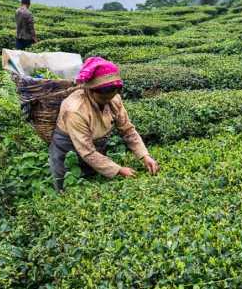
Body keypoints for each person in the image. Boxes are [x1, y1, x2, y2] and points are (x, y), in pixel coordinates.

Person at [49, 57, 160, 191]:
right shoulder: (75, 109)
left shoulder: (114, 99)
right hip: (67, 149)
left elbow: (128, 130)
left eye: (112, 95)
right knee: (67, 187)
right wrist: (118, 169)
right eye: (103, 97)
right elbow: (87, 152)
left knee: (94, 183)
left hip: (96, 145)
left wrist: (145, 156)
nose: (108, 100)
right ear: (90, 90)